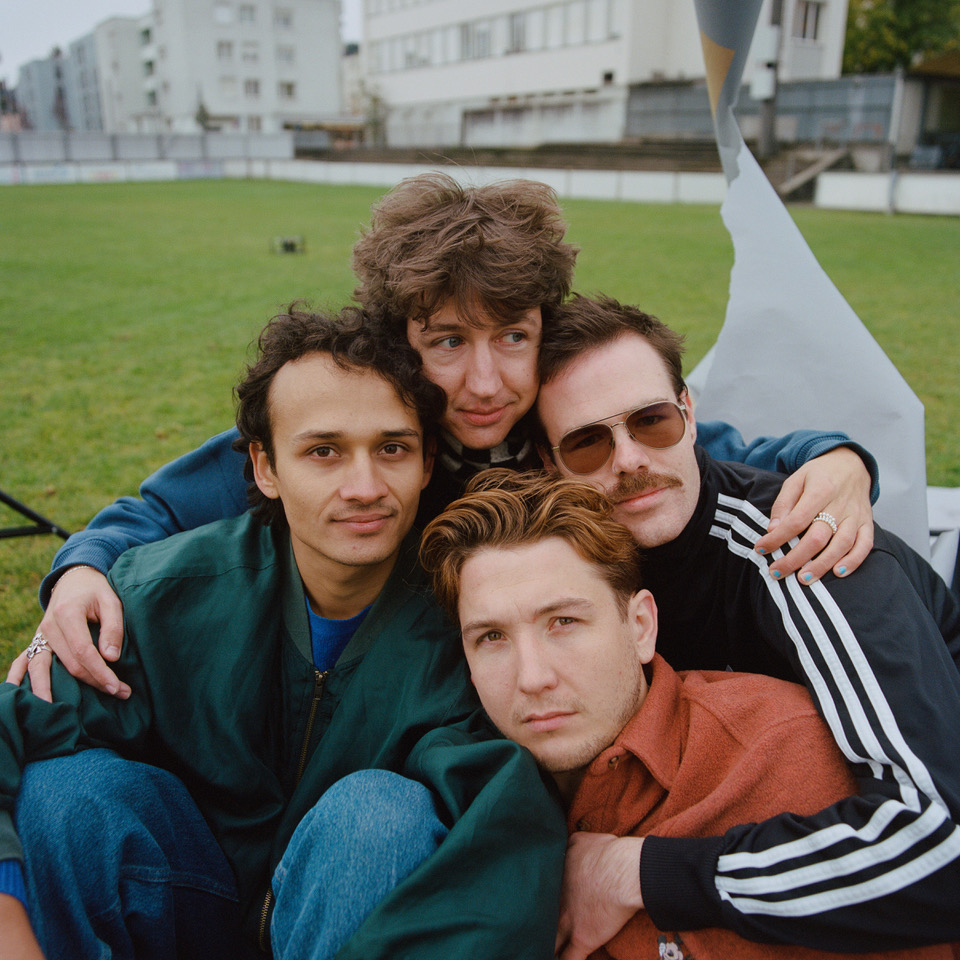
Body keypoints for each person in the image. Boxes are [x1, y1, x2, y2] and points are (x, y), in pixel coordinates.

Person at [13, 173, 878, 700]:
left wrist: (834, 459)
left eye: (512, 337)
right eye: (448, 342)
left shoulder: (567, 425)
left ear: (543, 328)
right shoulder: (366, 427)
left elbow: (705, 449)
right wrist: (83, 567)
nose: (486, 382)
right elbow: (161, 508)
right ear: (401, 339)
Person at [0, 305, 566, 960]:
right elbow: (14, 724)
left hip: (351, 909)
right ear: (265, 467)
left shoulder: (466, 622)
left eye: (392, 449)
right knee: (63, 794)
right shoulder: (167, 593)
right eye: (324, 452)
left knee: (379, 815)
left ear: (426, 460)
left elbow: (502, 820)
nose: (364, 487)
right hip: (186, 896)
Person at [519, 293, 960, 954]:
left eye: (652, 421)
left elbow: (939, 850)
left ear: (690, 413)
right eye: (587, 443)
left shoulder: (801, 552)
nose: (629, 458)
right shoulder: (568, 566)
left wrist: (639, 872)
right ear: (548, 462)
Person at [419, 468, 957, 960]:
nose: (532, 677)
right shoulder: (453, 795)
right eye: (491, 637)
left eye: (563, 622)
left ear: (640, 626)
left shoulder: (787, 757)